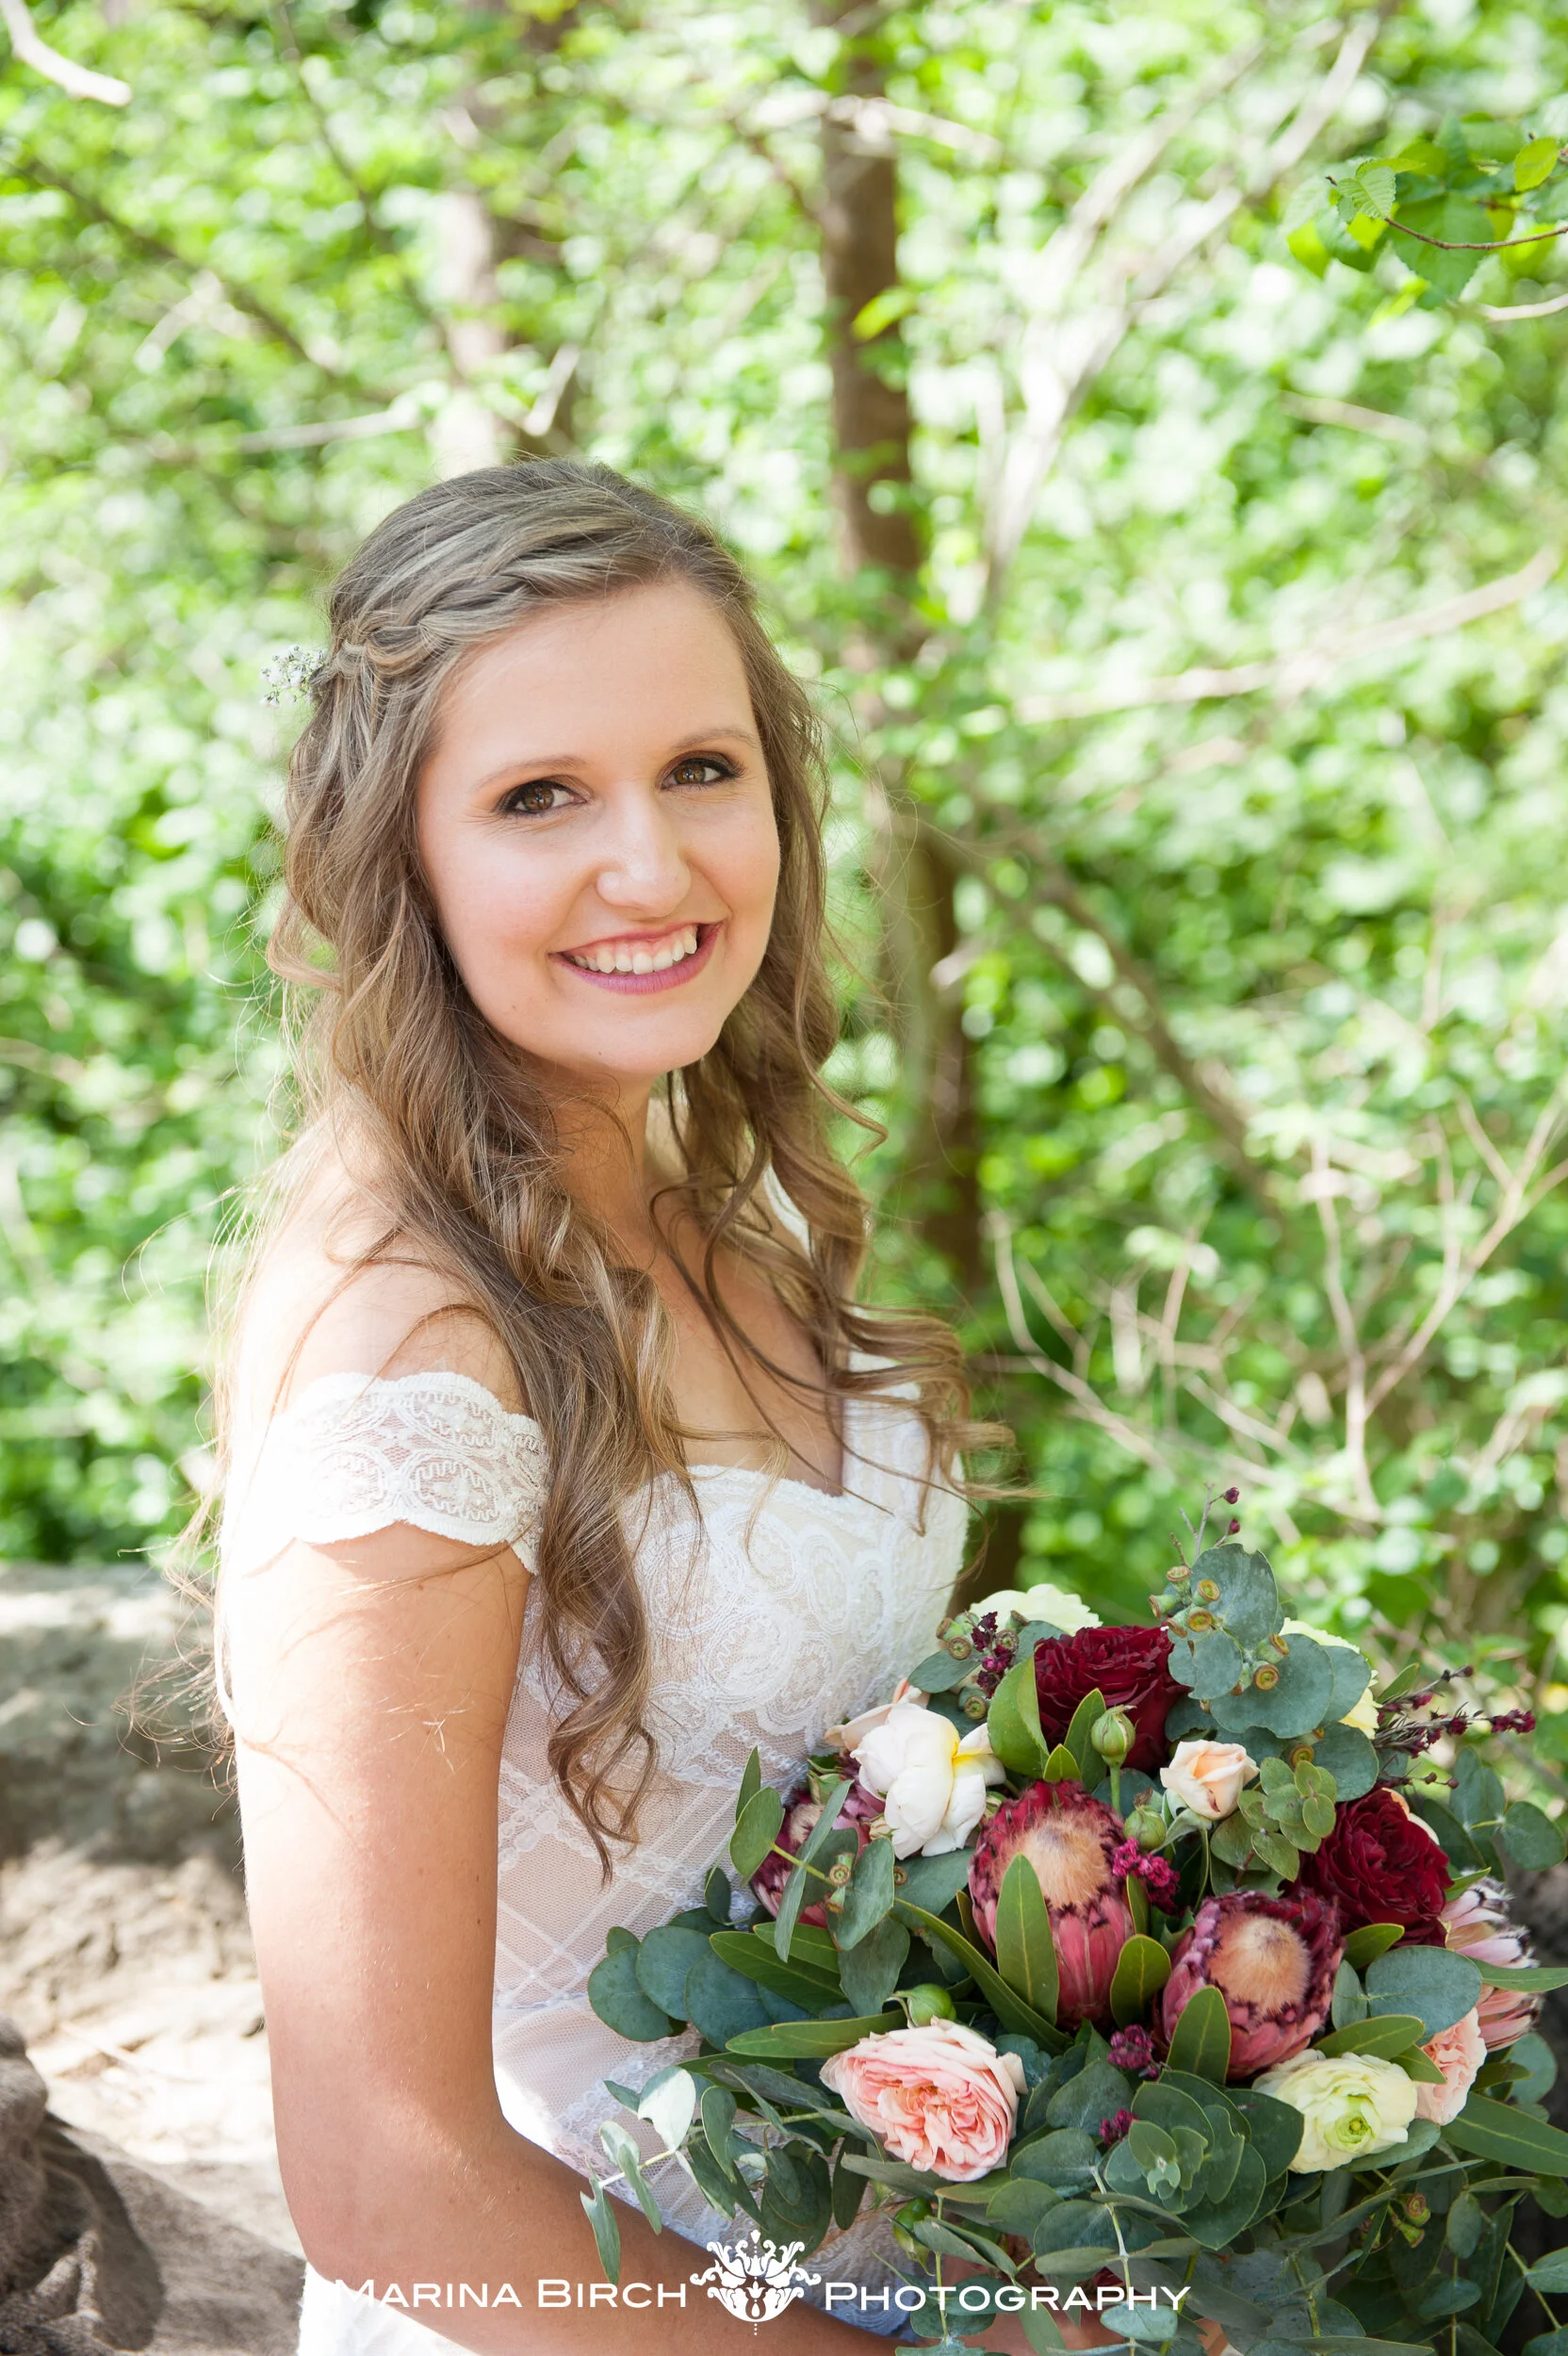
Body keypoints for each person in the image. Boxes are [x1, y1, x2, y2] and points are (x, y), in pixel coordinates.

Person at [212, 461, 1012, 2355]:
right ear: (392, 849)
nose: (649, 867)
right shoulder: (405, 1339)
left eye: (702, 769)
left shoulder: (727, 1208)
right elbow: (385, 2169)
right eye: (537, 797)